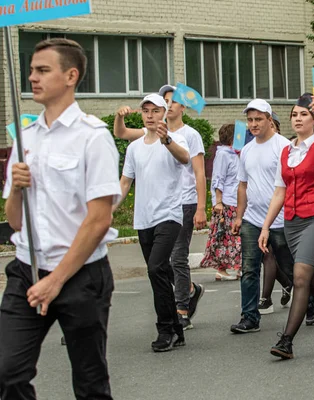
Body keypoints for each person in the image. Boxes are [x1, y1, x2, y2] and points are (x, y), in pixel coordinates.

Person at [0, 38, 120, 399]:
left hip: (80, 276)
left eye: (42, 70)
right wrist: (18, 189)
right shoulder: (25, 138)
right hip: (27, 271)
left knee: (89, 382)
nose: (33, 78)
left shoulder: (92, 137)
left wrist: (56, 281)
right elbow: (16, 222)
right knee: (7, 372)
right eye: (32, 71)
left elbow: (99, 220)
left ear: (71, 75)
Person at [262, 93, 314, 359]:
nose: (298, 119)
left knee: (300, 277)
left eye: (304, 115)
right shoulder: (287, 151)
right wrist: (266, 227)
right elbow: (280, 191)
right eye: (294, 115)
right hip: (292, 223)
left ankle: (286, 341)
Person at [114, 84, 206, 330]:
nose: (151, 114)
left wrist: (201, 206)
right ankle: (182, 305)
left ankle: (178, 312)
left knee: (172, 260)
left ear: (167, 111)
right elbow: (125, 180)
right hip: (145, 217)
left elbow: (191, 165)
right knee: (159, 269)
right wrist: (108, 209)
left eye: (158, 109)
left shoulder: (182, 137)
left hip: (176, 208)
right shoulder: (137, 145)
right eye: (147, 110)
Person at [230, 99, 294, 333]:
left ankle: (311, 303)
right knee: (249, 269)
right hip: (253, 220)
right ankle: (250, 317)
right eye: (250, 120)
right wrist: (239, 216)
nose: (253, 124)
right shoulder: (247, 149)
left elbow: (291, 184)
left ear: (270, 120)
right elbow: (242, 186)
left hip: (281, 219)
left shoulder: (284, 146)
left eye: (258, 119)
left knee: (290, 266)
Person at [200, 124, 242, 280]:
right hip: (227, 202)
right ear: (232, 137)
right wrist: (218, 202)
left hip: (237, 200)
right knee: (226, 236)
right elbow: (218, 179)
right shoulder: (224, 155)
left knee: (233, 237)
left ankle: (237, 267)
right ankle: (223, 269)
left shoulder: (236, 154)